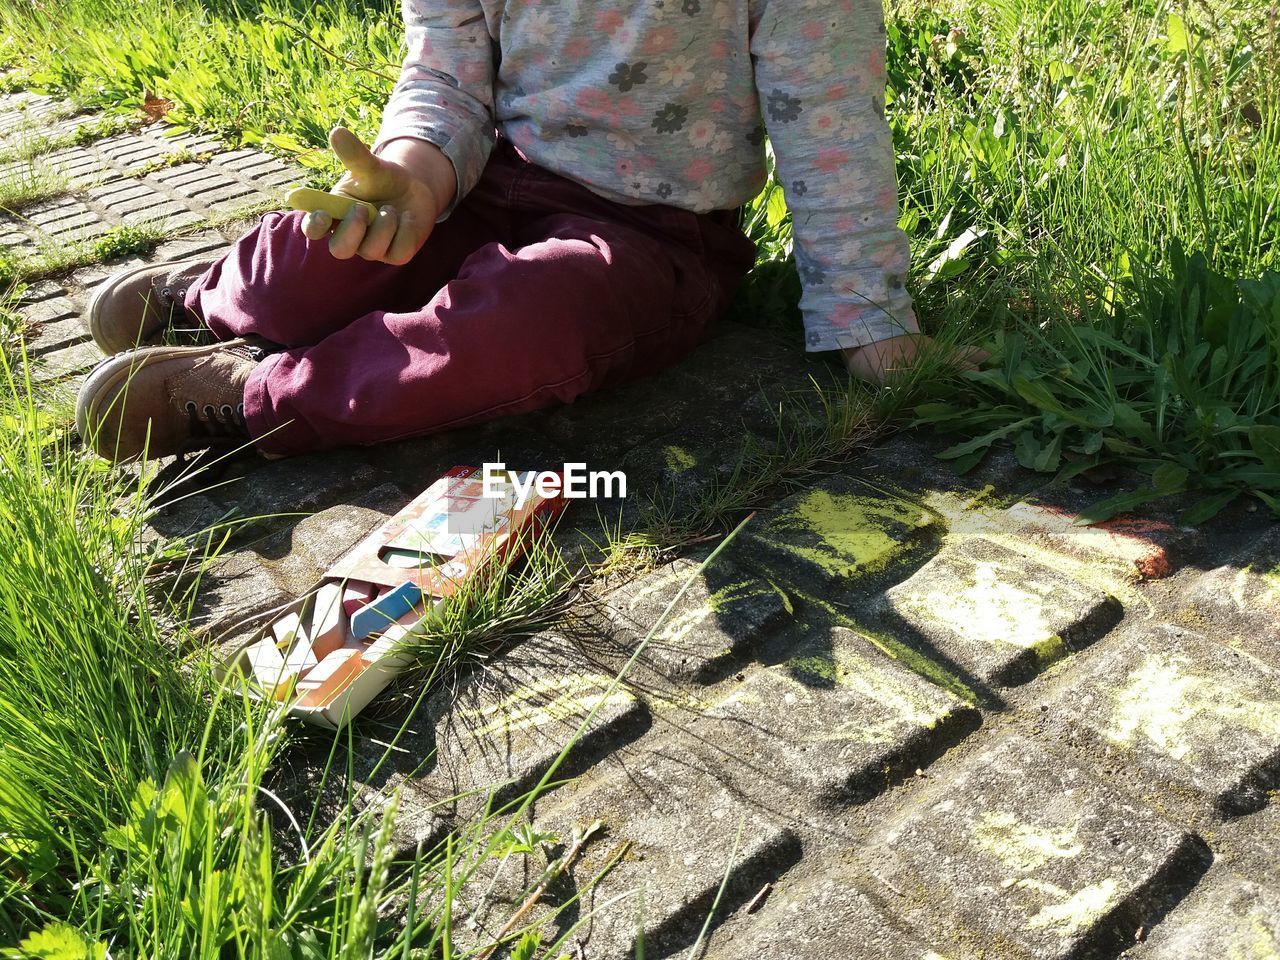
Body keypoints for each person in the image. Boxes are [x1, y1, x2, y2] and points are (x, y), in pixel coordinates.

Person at [76, 0, 972, 463]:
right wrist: (417, 175)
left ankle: (261, 400)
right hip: (485, 180)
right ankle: (215, 295)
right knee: (326, 250)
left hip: (651, 235)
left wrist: (871, 320)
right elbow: (446, 69)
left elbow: (829, 125)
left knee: (522, 327)